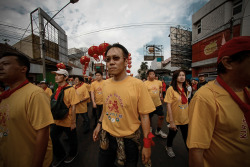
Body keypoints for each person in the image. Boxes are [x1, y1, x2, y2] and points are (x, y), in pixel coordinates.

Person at [187, 36, 250, 167]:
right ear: (227, 63)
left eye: (203, 76)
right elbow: (196, 152)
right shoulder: (205, 97)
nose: (202, 78)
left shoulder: (247, 92)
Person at [93, 43, 155, 167]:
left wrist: (147, 145)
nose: (111, 62)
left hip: (129, 141)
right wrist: (99, 124)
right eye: (108, 59)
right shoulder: (105, 84)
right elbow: (106, 108)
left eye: (116, 58)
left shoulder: (138, 85)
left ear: (126, 61)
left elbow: (144, 116)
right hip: (107, 137)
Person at [0, 52, 54, 167]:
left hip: (28, 161)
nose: (1, 67)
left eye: (6, 64)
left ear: (23, 69)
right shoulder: (5, 96)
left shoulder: (35, 94)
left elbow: (43, 132)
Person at [50, 69, 80, 167]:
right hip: (57, 120)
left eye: (59, 75)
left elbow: (74, 106)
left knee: (72, 139)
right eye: (56, 75)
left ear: (66, 77)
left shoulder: (71, 89)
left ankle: (73, 153)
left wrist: (73, 122)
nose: (56, 77)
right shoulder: (57, 89)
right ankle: (60, 155)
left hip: (68, 120)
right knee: (53, 137)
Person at [164, 70, 189, 158]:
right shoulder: (171, 89)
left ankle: (191, 155)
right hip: (174, 119)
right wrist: (171, 122)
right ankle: (168, 147)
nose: (182, 77)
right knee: (171, 135)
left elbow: (186, 104)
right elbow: (168, 105)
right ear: (175, 77)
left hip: (185, 119)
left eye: (183, 75)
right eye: (179, 75)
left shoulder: (185, 88)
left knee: (187, 138)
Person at [144, 69, 167, 138]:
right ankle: (150, 129)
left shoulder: (159, 82)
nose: (152, 75)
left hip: (158, 104)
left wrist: (162, 97)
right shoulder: (144, 83)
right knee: (149, 118)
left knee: (161, 117)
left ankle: (158, 131)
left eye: (153, 74)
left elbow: (160, 91)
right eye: (151, 74)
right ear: (148, 75)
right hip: (149, 104)